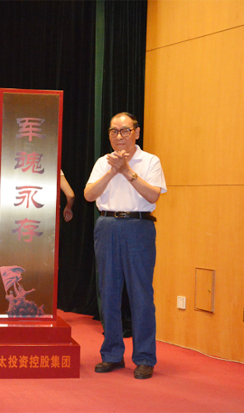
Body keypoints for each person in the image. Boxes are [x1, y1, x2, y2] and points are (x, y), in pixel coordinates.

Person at [84, 112, 167, 380]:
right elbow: (89, 195)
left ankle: (144, 357)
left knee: (140, 293)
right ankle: (112, 354)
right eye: (114, 131)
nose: (119, 136)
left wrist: (127, 170)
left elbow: (153, 195)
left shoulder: (150, 161)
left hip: (138, 226)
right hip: (107, 225)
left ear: (137, 132)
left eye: (125, 131)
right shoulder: (102, 162)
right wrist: (112, 170)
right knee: (108, 291)